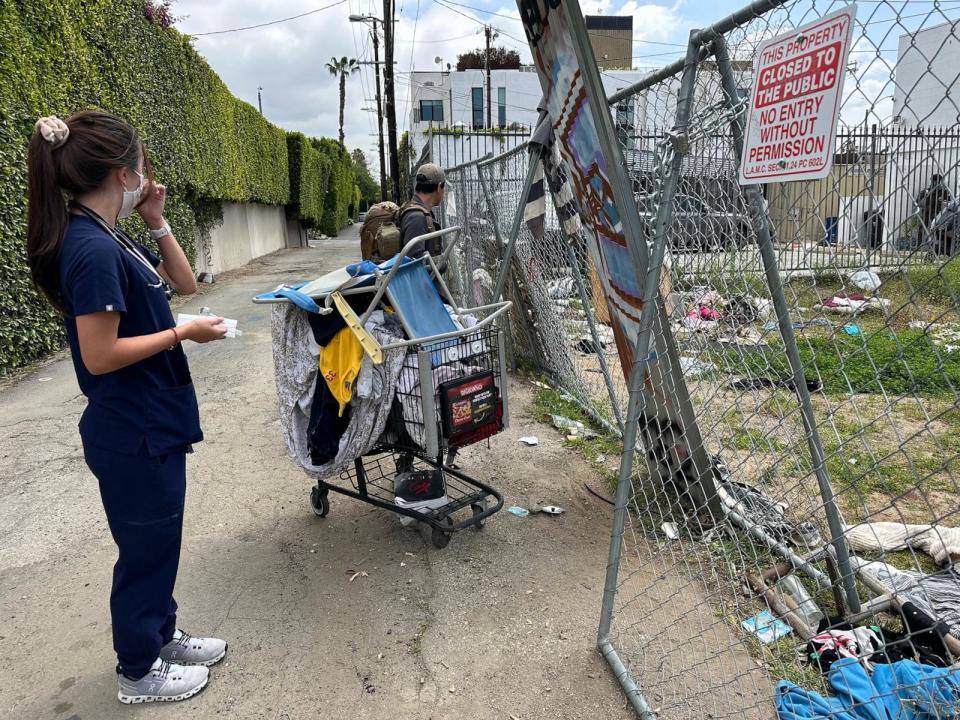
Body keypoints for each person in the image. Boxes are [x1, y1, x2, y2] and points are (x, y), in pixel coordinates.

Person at [26, 112, 229, 705]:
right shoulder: (89, 248)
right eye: (142, 168)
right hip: (131, 427)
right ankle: (138, 670)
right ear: (124, 171)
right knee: (145, 548)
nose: (148, 176)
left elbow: (185, 286)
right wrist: (181, 336)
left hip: (151, 417)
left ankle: (160, 637)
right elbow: (100, 354)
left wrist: (156, 219)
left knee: (160, 540)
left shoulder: (111, 233)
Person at [399, 163, 446, 262]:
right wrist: (440, 265)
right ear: (439, 187)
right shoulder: (417, 218)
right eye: (443, 187)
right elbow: (414, 265)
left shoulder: (421, 212)